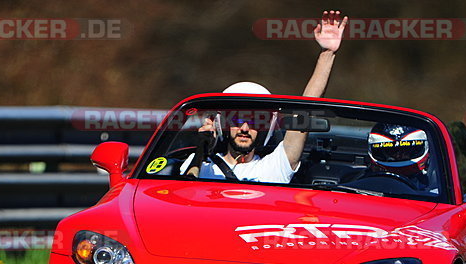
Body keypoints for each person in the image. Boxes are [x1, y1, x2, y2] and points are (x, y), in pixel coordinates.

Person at [183, 10, 348, 183]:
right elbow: (180, 193)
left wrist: (327, 54)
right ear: (222, 122)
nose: (245, 128)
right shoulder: (201, 165)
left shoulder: (275, 167)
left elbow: (306, 108)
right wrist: (202, 148)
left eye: (255, 120)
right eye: (237, 119)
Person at [367, 123, 431, 190]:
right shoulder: (362, 183)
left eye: (406, 150)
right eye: (392, 151)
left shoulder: (433, 183)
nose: (399, 156)